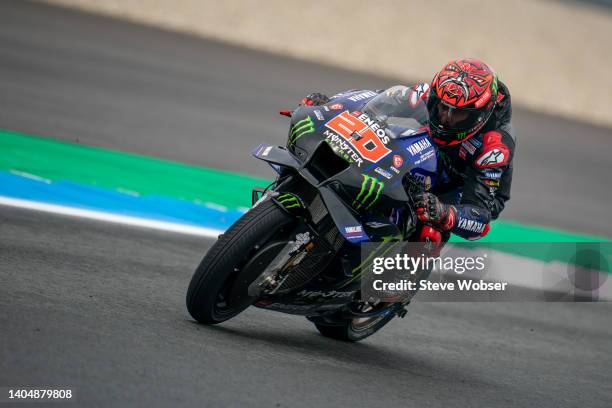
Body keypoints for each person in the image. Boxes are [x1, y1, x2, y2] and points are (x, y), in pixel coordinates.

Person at [300, 58, 515, 241]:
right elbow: (375, 101)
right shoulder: (434, 94)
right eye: (442, 107)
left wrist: (444, 212)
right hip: (430, 154)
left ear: (479, 115)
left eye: (458, 114)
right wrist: (330, 106)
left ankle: (396, 282)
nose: (446, 118)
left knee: (429, 229)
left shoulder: (495, 145)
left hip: (462, 185)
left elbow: (481, 217)